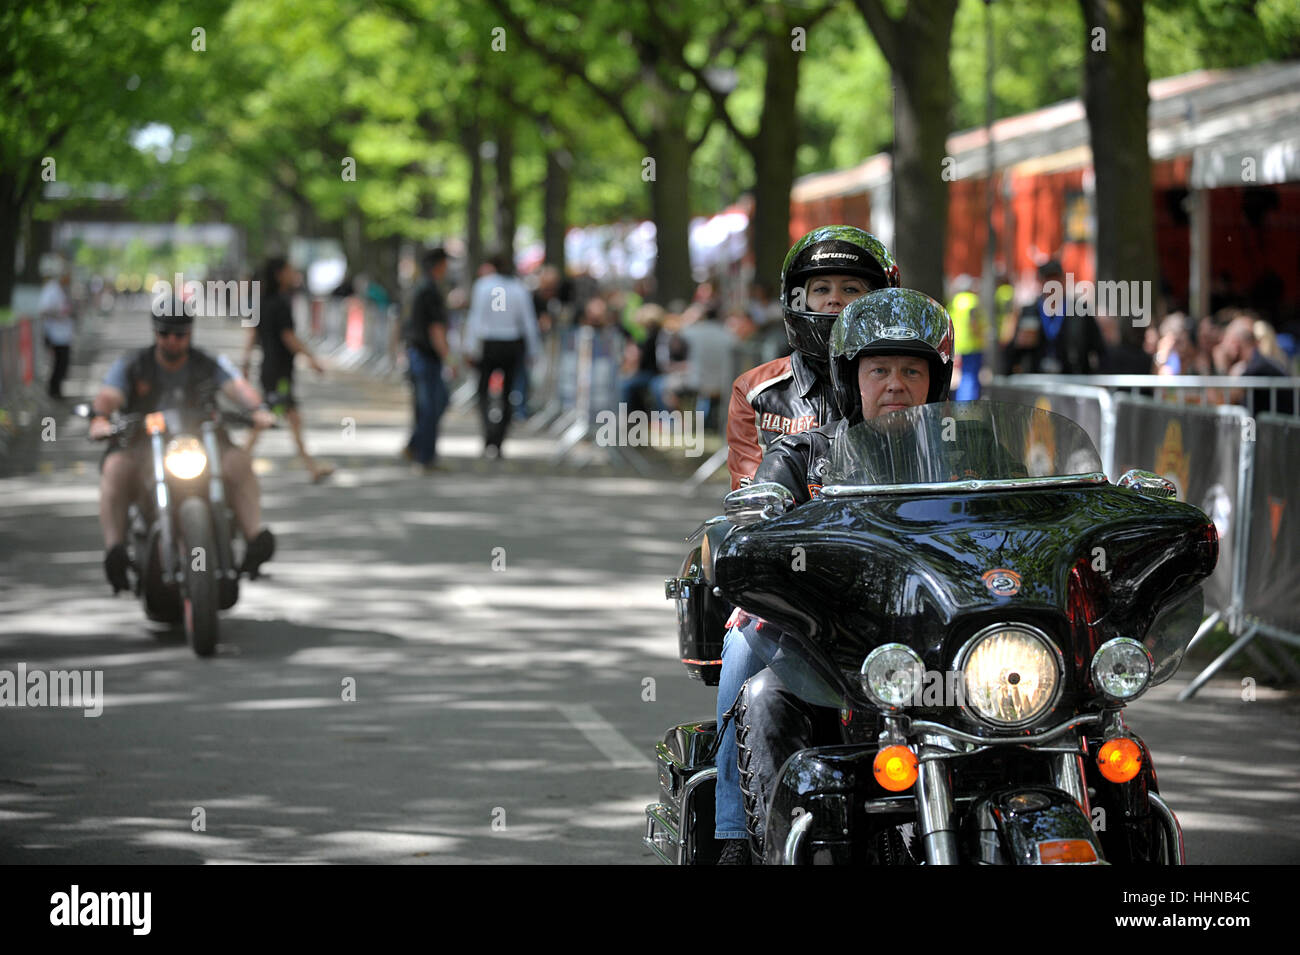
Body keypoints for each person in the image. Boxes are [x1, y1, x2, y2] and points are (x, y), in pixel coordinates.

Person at [733, 288, 955, 856]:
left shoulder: (968, 451)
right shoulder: (804, 455)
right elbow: (757, 522)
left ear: (937, 381)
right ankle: (773, 845)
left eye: (912, 369)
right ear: (851, 380)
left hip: (950, 650)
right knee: (765, 697)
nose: (896, 384)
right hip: (836, 653)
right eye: (878, 369)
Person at [714, 225, 899, 864]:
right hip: (794, 576)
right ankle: (734, 830)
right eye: (821, 289)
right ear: (797, 300)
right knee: (743, 641)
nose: (835, 302)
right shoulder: (761, 391)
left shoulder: (898, 374)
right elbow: (748, 493)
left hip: (890, 575)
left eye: (852, 289)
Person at [90, 312, 277, 593]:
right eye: (165, 334)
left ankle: (253, 540)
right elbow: (108, 396)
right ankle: (115, 550)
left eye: (180, 335)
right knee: (115, 467)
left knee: (238, 461)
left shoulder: (207, 363)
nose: (173, 341)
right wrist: (100, 420)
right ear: (155, 333)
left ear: (190, 333)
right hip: (144, 444)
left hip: (202, 443)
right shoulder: (133, 364)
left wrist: (259, 410)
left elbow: (238, 387)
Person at [241, 257, 334, 482]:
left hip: (271, 370)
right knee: (273, 418)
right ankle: (239, 463)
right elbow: (288, 337)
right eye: (290, 270)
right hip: (278, 373)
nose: (294, 274)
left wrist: (245, 362)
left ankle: (311, 467)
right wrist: (312, 359)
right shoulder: (281, 303)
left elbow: (253, 334)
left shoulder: (262, 301)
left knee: (287, 419)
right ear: (279, 274)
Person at [461, 253, 541, 458]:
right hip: (510, 344)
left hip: (490, 343)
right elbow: (528, 321)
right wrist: (533, 350)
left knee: (483, 392)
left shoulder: (483, 286)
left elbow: (475, 318)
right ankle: (498, 437)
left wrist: (470, 347)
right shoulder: (518, 288)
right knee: (508, 394)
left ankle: (489, 432)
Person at [403, 248, 452, 472]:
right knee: (431, 405)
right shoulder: (429, 291)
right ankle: (425, 456)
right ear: (439, 265)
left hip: (417, 353)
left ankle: (416, 446)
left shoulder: (419, 288)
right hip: (425, 355)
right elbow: (435, 328)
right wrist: (448, 357)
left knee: (431, 403)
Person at [39, 268, 76, 400]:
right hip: (54, 335)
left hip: (64, 335)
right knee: (57, 364)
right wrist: (60, 314)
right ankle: (53, 390)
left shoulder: (63, 289)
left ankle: (57, 390)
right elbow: (44, 310)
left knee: (63, 364)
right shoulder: (51, 289)